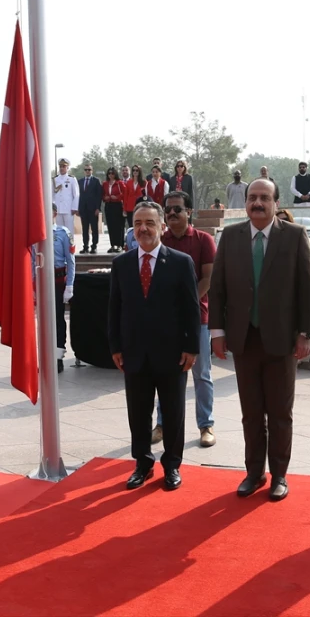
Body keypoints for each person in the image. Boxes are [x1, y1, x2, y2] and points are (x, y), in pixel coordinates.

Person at [209, 178, 310, 502]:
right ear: (246, 202)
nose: (257, 203)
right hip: (244, 340)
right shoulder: (231, 236)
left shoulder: (294, 236)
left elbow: (307, 288)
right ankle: (254, 473)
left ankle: (279, 476)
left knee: (280, 412)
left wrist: (306, 333)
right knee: (251, 412)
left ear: (275, 202)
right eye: (252, 197)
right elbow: (218, 288)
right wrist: (217, 332)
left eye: (264, 198)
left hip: (282, 341)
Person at [108, 202, 201, 492]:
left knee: (173, 412)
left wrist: (192, 348)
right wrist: (115, 346)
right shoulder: (121, 264)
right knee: (138, 411)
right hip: (134, 353)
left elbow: (191, 310)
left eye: (149, 222)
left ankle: (171, 465)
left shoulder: (180, 261)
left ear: (162, 226)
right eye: (137, 223)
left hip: (172, 353)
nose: (143, 229)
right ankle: (142, 463)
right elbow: (114, 309)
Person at [156, 191, 217, 447]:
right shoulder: (160, 241)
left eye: (177, 209)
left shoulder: (204, 240)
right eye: (167, 210)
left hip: (198, 318)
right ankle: (162, 423)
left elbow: (208, 279)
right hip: (166, 320)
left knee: (201, 374)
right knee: (165, 372)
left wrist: (187, 306)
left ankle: (206, 425)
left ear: (189, 212)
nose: (172, 214)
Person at [50, 204, 76, 373]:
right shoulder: (37, 233)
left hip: (59, 280)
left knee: (58, 319)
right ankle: (46, 354)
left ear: (54, 213)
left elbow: (71, 260)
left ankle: (58, 356)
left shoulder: (63, 233)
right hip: (42, 281)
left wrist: (70, 285)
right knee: (44, 322)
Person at [78, 164, 103, 254]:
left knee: (94, 229)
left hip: (93, 209)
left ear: (92, 170)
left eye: (89, 169)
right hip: (83, 209)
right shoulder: (80, 181)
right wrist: (78, 208)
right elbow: (78, 196)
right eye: (86, 170)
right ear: (84, 171)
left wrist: (98, 208)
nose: (87, 171)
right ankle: (85, 246)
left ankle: (94, 246)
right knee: (84, 229)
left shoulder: (96, 181)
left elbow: (99, 195)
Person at [52, 158, 79, 236]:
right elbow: (52, 194)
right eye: (60, 166)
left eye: (64, 166)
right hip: (58, 208)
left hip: (68, 208)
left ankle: (70, 247)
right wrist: (52, 208)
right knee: (59, 230)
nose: (61, 168)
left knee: (69, 230)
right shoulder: (55, 179)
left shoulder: (72, 179)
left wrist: (74, 207)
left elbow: (76, 194)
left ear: (67, 168)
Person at [102, 166, 125, 253]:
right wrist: (105, 197)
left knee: (119, 226)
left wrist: (117, 197)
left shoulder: (120, 183)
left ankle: (120, 245)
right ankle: (113, 244)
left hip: (118, 205)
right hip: (109, 205)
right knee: (110, 226)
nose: (111, 175)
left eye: (112, 173)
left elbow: (124, 194)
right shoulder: (105, 184)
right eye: (109, 173)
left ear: (115, 174)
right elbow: (102, 195)